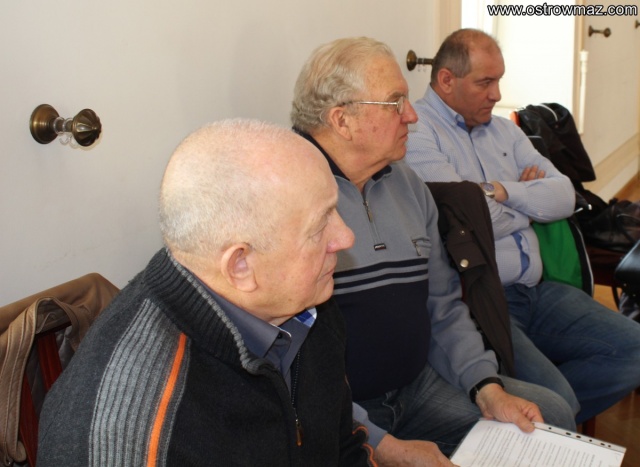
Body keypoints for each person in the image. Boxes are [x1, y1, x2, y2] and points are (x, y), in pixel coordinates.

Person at [291, 37, 575, 465]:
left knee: (549, 418)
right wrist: (387, 448)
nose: (412, 115)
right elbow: (289, 368)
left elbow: (442, 306)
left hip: (418, 387)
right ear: (342, 120)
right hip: (340, 413)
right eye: (395, 102)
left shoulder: (408, 185)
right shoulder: (287, 195)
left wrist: (485, 386)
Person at [36, 119, 376, 466]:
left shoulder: (305, 305)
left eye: (335, 209)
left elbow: (343, 446)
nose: (346, 237)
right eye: (320, 226)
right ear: (240, 266)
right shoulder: (135, 438)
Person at [405, 28, 640, 425]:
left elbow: (564, 196)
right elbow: (468, 222)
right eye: (485, 82)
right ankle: (549, 418)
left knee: (634, 350)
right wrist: (528, 203)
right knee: (557, 403)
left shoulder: (504, 130)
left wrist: (501, 192)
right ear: (446, 80)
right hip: (482, 300)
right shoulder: (417, 133)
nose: (497, 94)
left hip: (537, 289)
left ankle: (539, 422)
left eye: (498, 80)